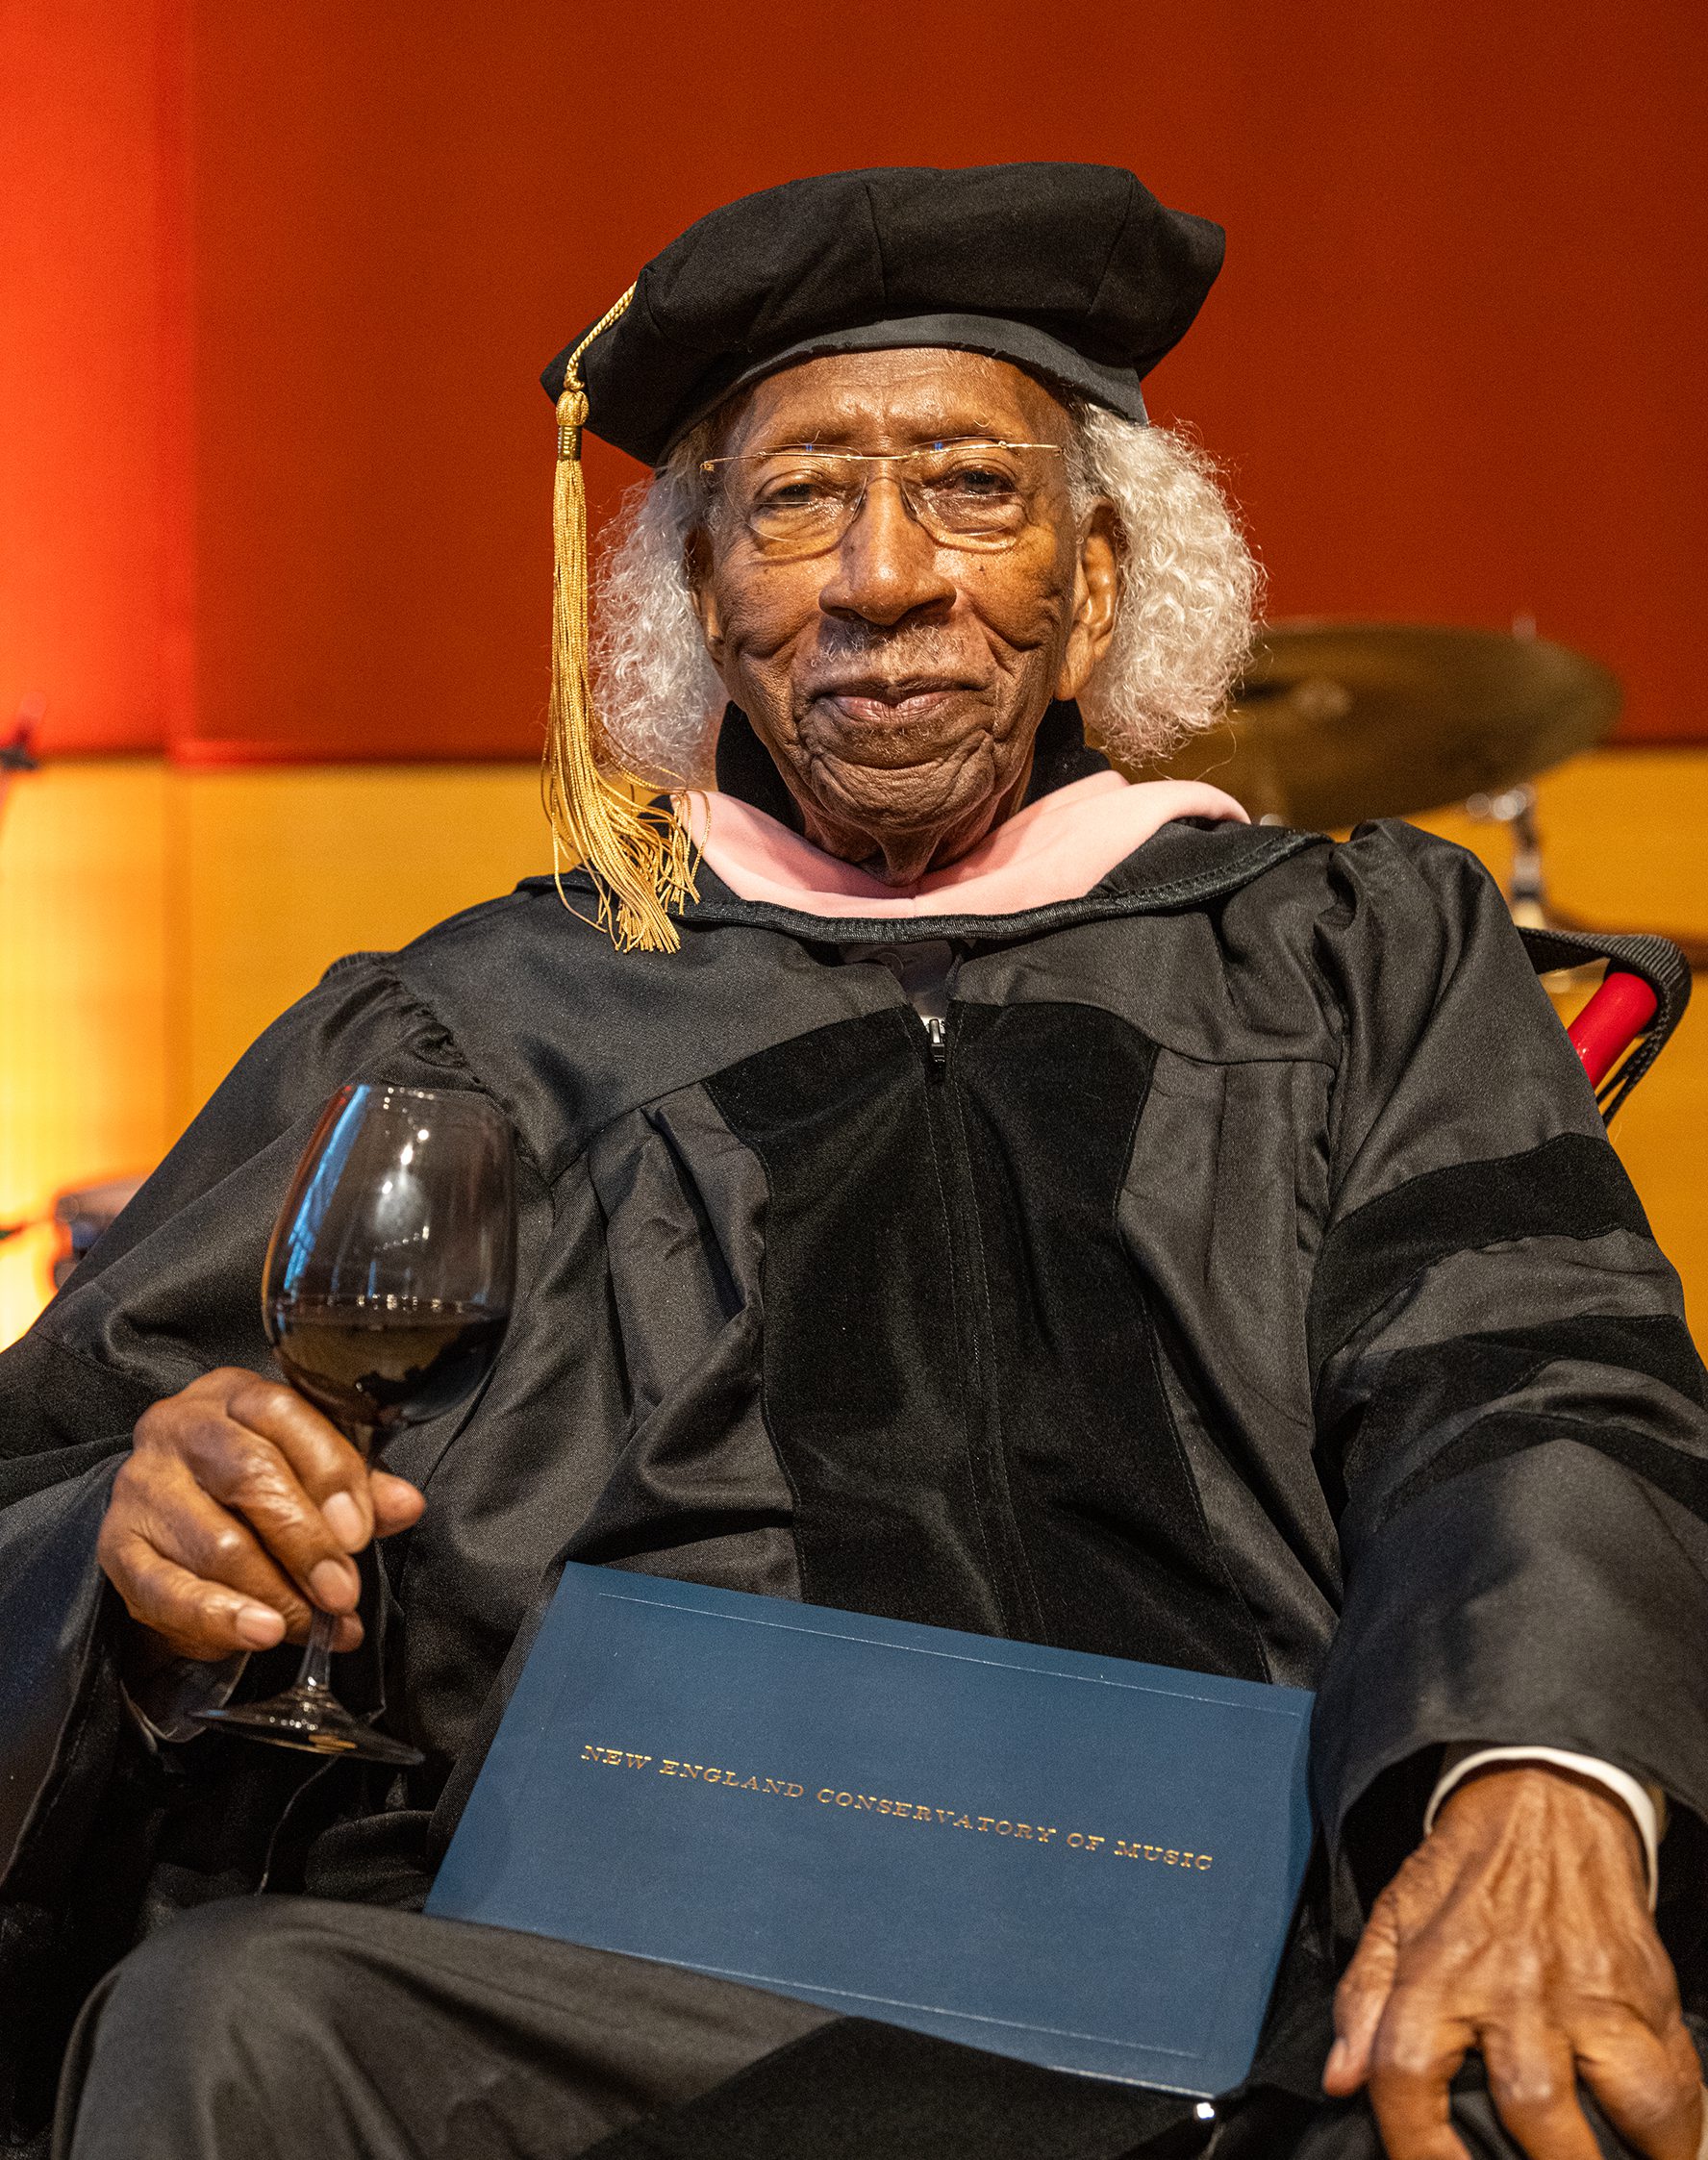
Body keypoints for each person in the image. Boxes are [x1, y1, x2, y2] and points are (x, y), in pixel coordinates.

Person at [2, 163, 1705, 2160]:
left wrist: (1542, 1777)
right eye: (797, 499)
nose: (884, 575)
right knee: (242, 2022)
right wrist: (132, 1539)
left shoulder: (1347, 963)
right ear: (697, 594)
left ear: (1093, 580)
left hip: (1259, 1995)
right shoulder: (481, 1022)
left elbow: (1530, 1382)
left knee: (1545, 2070)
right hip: (631, 2013)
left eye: (972, 488)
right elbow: (69, 1461)